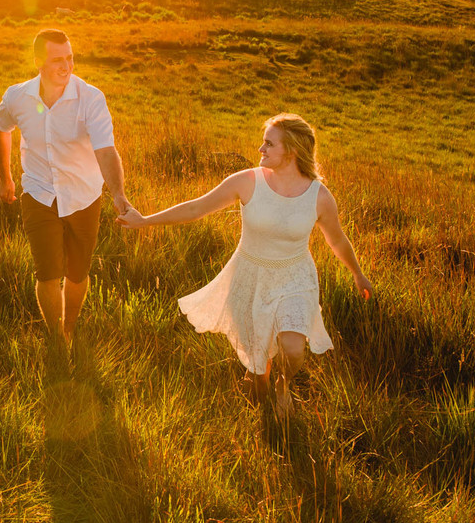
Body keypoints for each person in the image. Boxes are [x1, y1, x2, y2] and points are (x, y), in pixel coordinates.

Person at [117, 113, 371, 415]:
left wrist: (358, 274)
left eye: (269, 144)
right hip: (250, 276)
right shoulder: (247, 181)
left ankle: (283, 385)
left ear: (291, 150)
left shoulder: (319, 197)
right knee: (257, 369)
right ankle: (260, 380)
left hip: (296, 278)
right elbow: (197, 208)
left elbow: (337, 240)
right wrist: (145, 221)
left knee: (293, 351)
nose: (261, 149)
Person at [0, 29, 131, 344]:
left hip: (83, 197)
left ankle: (69, 327)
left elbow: (106, 150)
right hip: (39, 194)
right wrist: (4, 177)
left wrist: (118, 194)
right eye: (57, 60)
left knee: (77, 273)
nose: (66, 66)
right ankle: (57, 340)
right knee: (47, 273)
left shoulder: (90, 98)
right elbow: (1, 127)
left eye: (69, 58)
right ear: (38, 62)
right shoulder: (17, 96)